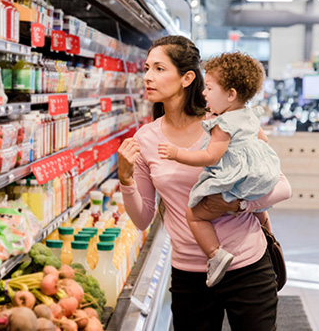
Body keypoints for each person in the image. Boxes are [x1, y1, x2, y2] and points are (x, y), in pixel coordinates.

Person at [118, 35, 292, 331]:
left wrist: (237, 204)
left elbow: (282, 186)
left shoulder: (227, 124)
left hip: (246, 264)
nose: (148, 76)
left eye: (159, 69)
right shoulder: (146, 139)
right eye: (147, 68)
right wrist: (126, 179)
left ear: (187, 78)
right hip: (189, 275)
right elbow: (143, 218)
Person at [157, 52, 281, 287]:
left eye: (210, 88)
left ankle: (215, 254)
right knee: (259, 211)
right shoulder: (249, 115)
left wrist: (177, 154)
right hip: (260, 173)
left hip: (234, 178)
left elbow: (210, 157)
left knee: (193, 214)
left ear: (231, 94)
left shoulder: (222, 124)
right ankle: (267, 239)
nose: (204, 92)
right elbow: (261, 145)